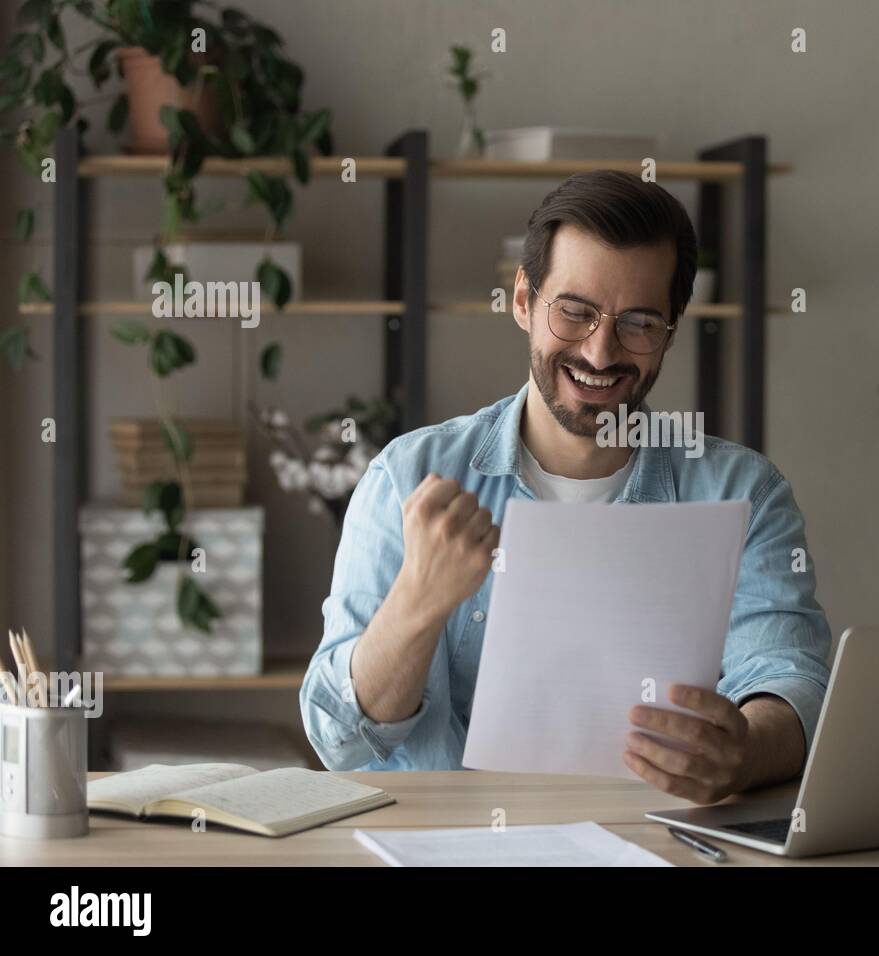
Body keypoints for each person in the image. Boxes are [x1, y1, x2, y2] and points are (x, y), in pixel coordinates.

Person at [301, 170, 832, 804]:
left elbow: (792, 682)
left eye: (638, 323)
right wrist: (417, 602)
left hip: (658, 847)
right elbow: (340, 741)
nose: (601, 352)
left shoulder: (744, 491)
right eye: (575, 312)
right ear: (523, 300)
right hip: (445, 851)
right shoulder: (408, 477)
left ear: (671, 329)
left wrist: (743, 752)